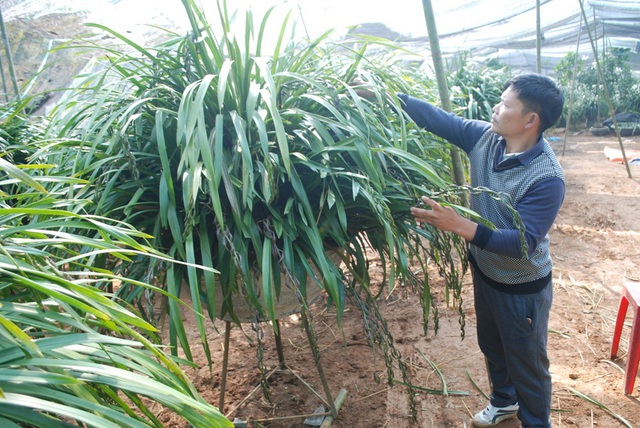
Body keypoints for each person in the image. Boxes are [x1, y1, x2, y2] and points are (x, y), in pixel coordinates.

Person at [358, 73, 564, 427]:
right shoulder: (485, 138)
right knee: (493, 345)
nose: (496, 109)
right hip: (486, 272)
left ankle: (536, 423)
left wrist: (459, 226)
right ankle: (503, 402)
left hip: (521, 287)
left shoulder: (547, 177)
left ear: (530, 120)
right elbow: (438, 119)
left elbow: (521, 242)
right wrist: (386, 93)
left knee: (528, 364)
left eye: (506, 105)